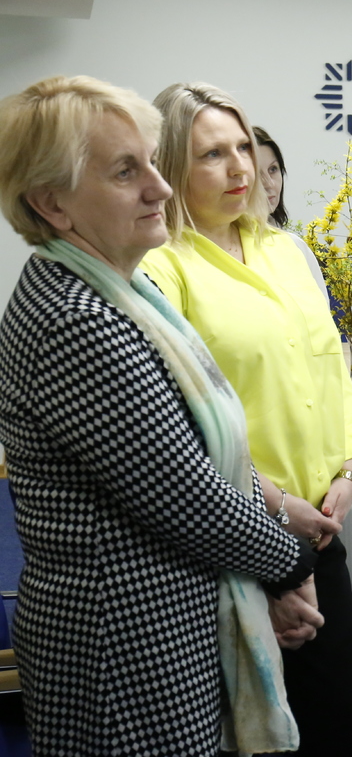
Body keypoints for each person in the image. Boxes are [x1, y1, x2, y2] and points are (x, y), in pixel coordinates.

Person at [0, 75, 321, 755]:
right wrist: (291, 563)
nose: (161, 187)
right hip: (123, 651)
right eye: (127, 171)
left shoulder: (118, 288)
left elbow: (202, 450)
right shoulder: (76, 320)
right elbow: (190, 498)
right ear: (51, 203)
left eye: (152, 160)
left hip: (157, 626)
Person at [140, 82, 352, 757]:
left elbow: (335, 376)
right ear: (170, 165)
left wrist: (351, 477)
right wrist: (275, 509)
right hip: (237, 540)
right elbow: (180, 427)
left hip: (323, 527)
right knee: (262, 735)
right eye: (213, 154)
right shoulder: (162, 266)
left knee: (342, 719)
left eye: (244, 147)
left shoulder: (285, 251)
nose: (242, 169)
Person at [253, 125, 326, 297]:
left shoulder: (296, 248)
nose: (269, 184)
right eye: (256, 174)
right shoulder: (216, 250)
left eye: (273, 170)